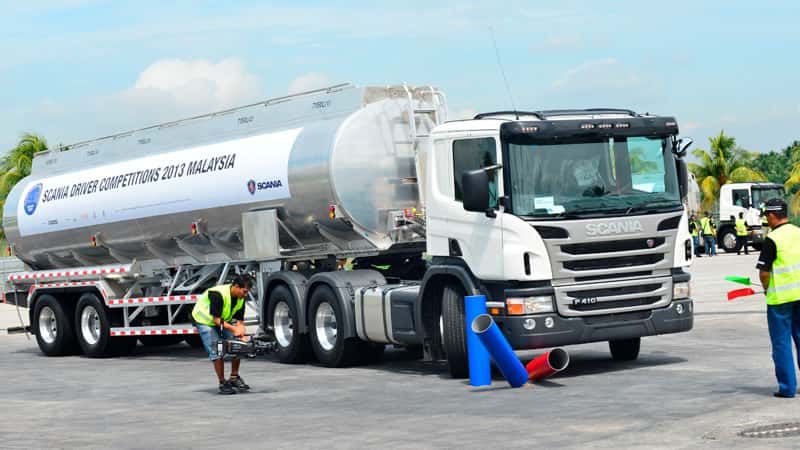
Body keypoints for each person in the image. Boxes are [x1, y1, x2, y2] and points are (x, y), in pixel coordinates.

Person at [756, 198, 800, 398]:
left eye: (767, 216)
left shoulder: (772, 239)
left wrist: (767, 289)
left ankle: (787, 388)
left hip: (780, 300)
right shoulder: (798, 232)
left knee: (781, 344)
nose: (767, 219)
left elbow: (764, 272)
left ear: (773, 215)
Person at [192, 275, 252, 395]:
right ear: (236, 286)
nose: (246, 295)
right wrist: (234, 329)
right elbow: (216, 320)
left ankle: (234, 377)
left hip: (221, 321)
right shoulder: (218, 294)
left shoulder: (240, 298)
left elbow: (240, 321)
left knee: (238, 345)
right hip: (205, 321)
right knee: (217, 349)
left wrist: (241, 333)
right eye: (244, 291)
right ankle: (222, 382)